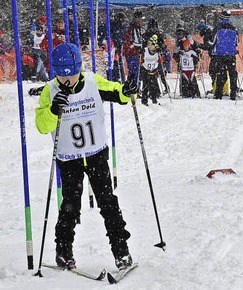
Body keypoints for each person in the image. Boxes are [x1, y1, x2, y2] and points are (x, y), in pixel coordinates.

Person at [34, 43, 136, 270]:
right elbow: (41, 125)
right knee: (70, 205)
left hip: (96, 154)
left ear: (79, 69)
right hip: (69, 158)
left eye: (71, 74)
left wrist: (127, 91)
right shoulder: (49, 90)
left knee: (108, 203)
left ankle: (121, 252)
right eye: (61, 75)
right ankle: (63, 251)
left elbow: (117, 92)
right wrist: (52, 111)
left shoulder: (92, 82)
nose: (66, 80)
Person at [210, 10, 239, 100]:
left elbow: (212, 42)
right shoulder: (234, 28)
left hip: (220, 55)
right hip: (231, 54)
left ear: (221, 18)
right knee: (232, 74)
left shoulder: (217, 28)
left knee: (221, 74)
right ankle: (233, 93)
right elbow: (237, 42)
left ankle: (218, 94)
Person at [143, 17, 170, 95]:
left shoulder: (157, 34)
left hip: (156, 56)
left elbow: (164, 46)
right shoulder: (149, 34)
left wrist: (159, 48)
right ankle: (152, 90)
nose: (152, 29)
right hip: (149, 56)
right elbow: (144, 44)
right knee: (152, 74)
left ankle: (164, 87)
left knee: (160, 72)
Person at [122, 11, 145, 83]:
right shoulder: (134, 28)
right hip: (132, 53)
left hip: (130, 52)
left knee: (132, 72)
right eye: (141, 19)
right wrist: (141, 47)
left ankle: (131, 87)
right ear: (137, 19)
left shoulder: (133, 27)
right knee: (135, 72)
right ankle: (134, 88)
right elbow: (136, 42)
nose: (142, 21)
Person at [140, 35, 162, 105]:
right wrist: (140, 54)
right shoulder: (145, 50)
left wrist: (160, 57)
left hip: (153, 71)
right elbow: (141, 59)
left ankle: (154, 99)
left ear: (154, 45)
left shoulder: (157, 52)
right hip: (146, 70)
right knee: (145, 86)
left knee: (153, 86)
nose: (149, 46)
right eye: (148, 44)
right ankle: (144, 100)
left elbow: (160, 60)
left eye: (150, 45)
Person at [110, 12, 127, 83]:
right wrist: (114, 45)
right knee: (115, 64)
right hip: (114, 48)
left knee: (120, 64)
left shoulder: (122, 27)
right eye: (122, 19)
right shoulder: (114, 26)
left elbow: (123, 36)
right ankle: (116, 79)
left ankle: (122, 79)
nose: (123, 21)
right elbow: (112, 36)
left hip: (120, 47)